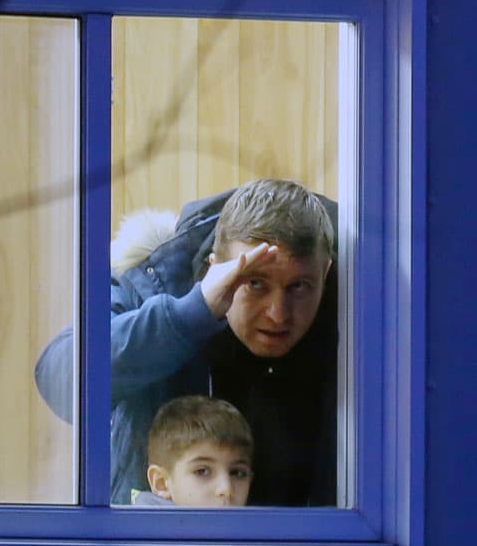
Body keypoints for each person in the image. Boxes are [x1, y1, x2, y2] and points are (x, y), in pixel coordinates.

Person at [35, 178, 339, 506]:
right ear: (214, 267)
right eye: (255, 283)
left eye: (299, 287)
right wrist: (191, 313)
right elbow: (59, 377)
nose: (278, 314)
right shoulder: (156, 282)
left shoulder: (362, 318)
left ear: (326, 273)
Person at [130, 396, 254, 507]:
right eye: (202, 471)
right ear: (161, 483)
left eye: (237, 473)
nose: (226, 489)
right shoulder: (139, 532)